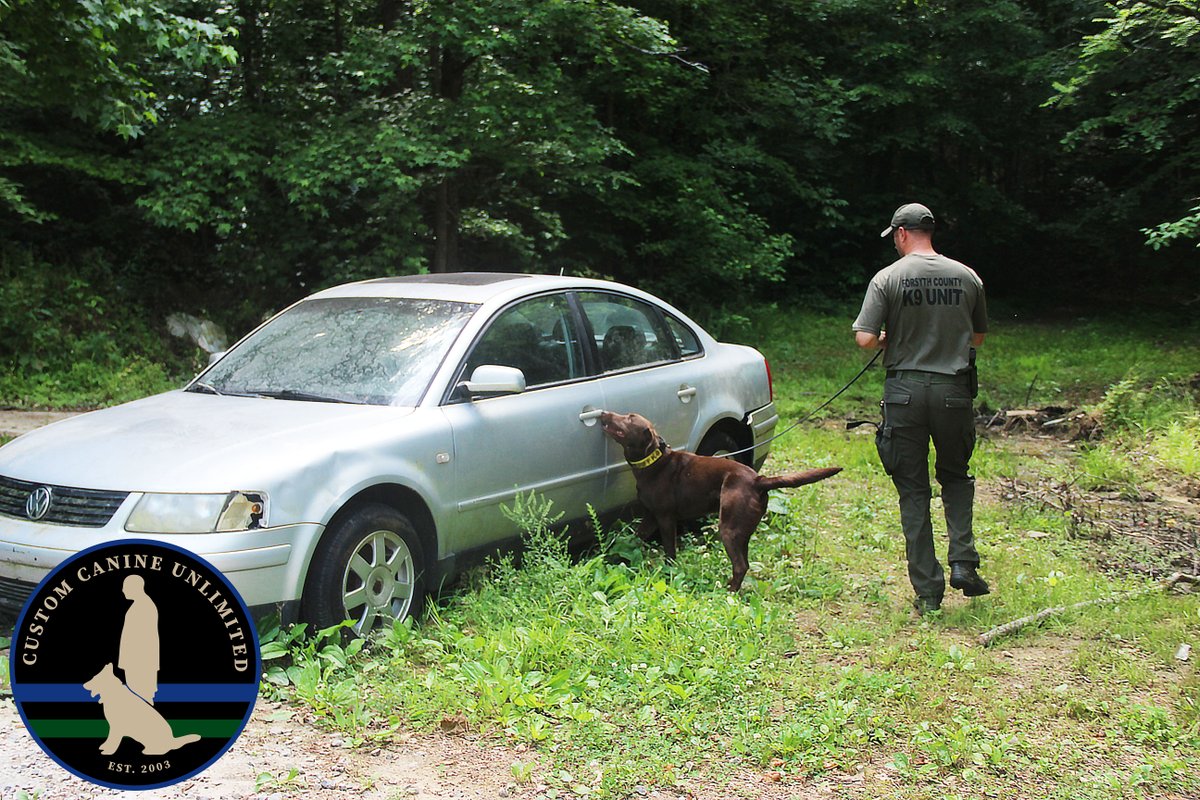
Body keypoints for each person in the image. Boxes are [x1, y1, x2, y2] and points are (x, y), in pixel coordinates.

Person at [852, 203, 990, 615]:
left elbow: (863, 339)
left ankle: (928, 592)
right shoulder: (968, 277)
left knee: (913, 489)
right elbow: (978, 338)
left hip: (905, 394)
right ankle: (963, 561)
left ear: (900, 234)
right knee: (956, 477)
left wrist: (887, 339)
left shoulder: (887, 278)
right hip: (953, 394)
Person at [118, 574, 161, 703]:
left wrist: (132, 663)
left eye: (125, 587)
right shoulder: (141, 605)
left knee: (141, 696)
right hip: (137, 663)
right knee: (137, 696)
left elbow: (143, 639)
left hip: (139, 664)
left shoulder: (143, 606)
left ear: (134, 587)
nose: (123, 590)